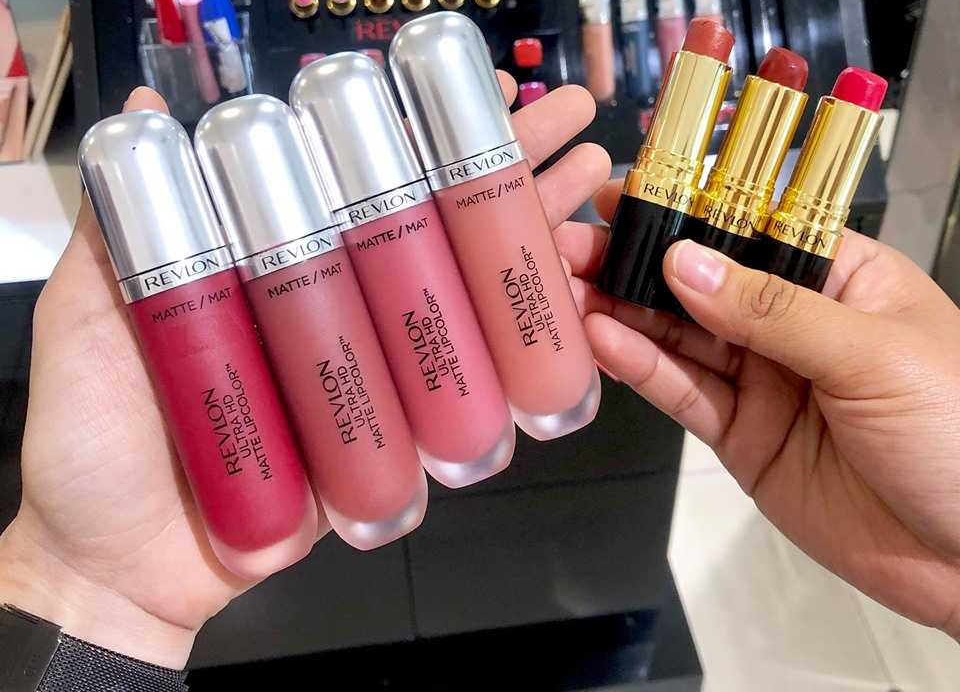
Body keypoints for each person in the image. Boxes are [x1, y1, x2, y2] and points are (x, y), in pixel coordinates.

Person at [0, 80, 957, 682]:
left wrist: (86, 599)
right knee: (361, 366)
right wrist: (93, 588)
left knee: (413, 339)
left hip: (354, 242)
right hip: (264, 268)